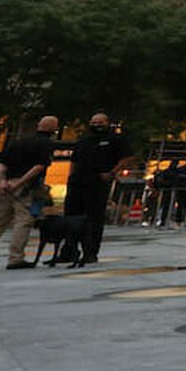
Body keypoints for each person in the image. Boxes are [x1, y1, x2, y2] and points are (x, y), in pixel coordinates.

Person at [0, 116, 60, 271]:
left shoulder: (17, 141)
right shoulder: (46, 144)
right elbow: (38, 167)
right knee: (23, 221)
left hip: (6, 186)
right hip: (25, 187)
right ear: (53, 128)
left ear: (38, 125)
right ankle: (15, 258)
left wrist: (3, 182)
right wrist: (21, 183)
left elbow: (1, 164)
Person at [64, 112, 133, 264]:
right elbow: (74, 160)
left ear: (107, 123)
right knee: (71, 217)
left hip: (97, 183)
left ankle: (90, 252)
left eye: (100, 122)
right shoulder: (84, 140)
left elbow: (127, 157)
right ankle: (69, 251)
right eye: (94, 122)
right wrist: (70, 177)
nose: (96, 125)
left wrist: (112, 173)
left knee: (93, 219)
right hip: (77, 182)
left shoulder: (115, 139)